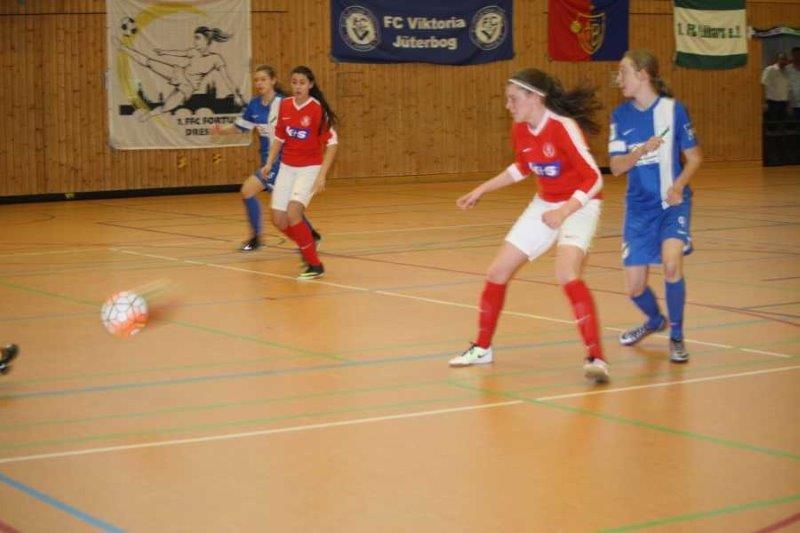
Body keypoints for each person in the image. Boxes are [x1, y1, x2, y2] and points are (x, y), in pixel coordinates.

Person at [448, 68, 609, 383]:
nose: (508, 105)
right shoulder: (520, 128)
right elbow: (522, 167)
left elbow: (594, 178)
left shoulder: (563, 127)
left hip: (580, 204)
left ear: (535, 97)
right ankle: (482, 347)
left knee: (566, 273)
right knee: (497, 272)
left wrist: (564, 212)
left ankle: (596, 357)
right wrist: (481, 189)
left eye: (513, 99)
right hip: (545, 204)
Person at [609, 49, 703, 364]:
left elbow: (694, 158)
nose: (618, 78)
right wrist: (640, 151)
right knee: (635, 288)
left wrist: (678, 186)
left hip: (672, 204)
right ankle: (654, 321)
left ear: (643, 75)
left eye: (623, 72)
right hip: (639, 210)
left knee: (671, 264)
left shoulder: (674, 110)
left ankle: (676, 336)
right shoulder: (620, 116)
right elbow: (616, 167)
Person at [211, 65, 321, 251]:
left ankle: (259, 239)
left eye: (263, 79)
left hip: (284, 162)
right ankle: (311, 235)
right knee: (281, 204)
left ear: (273, 81)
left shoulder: (284, 103)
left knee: (252, 192)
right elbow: (240, 126)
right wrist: (221, 130)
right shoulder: (254, 104)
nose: (259, 83)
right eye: (256, 80)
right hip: (268, 162)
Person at [261, 66, 338, 280]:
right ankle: (308, 244)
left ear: (310, 85)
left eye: (302, 83)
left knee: (293, 213)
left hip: (309, 169)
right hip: (287, 168)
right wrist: (269, 163)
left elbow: (332, 144)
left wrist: (322, 175)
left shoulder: (317, 109)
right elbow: (280, 137)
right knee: (279, 219)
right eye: (294, 82)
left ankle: (315, 264)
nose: (297, 86)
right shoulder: (285, 105)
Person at [114, 26, 244, 120]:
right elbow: (181, 53)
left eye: (198, 38)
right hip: (178, 74)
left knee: (167, 107)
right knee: (149, 62)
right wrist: (165, 52)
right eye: (194, 38)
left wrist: (236, 95)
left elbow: (226, 78)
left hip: (188, 86)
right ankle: (123, 48)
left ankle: (149, 115)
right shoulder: (194, 52)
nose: (195, 41)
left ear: (207, 40)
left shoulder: (216, 59)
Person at [761, 52, 790, 121]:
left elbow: (787, 89)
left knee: (783, 124)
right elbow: (763, 85)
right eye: (781, 59)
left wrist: (788, 104)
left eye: (785, 59)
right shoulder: (770, 69)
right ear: (777, 59)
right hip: (772, 103)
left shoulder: (786, 72)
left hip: (783, 103)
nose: (783, 61)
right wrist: (764, 103)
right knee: (772, 125)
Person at [786, 47, 800, 121]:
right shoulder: (787, 69)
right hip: (793, 104)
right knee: (794, 125)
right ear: (792, 56)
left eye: (799, 54)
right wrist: (788, 104)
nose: (797, 57)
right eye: (795, 55)